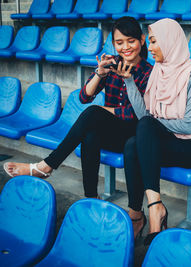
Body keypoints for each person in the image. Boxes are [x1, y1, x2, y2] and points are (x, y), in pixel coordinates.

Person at [3, 17, 152, 210]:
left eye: (131, 41)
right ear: (114, 44)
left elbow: (135, 115)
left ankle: (46, 166)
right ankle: (91, 197)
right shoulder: (112, 64)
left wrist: (101, 110)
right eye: (119, 42)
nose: (125, 47)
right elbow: (84, 97)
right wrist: (99, 74)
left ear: (141, 40)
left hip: (135, 137)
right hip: (114, 133)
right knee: (89, 133)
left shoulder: (149, 73)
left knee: (93, 114)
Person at [113, 18, 191, 245]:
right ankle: (138, 213)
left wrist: (153, 121)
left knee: (145, 127)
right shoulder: (158, 72)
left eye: (155, 42)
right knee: (131, 144)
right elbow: (143, 115)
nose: (150, 47)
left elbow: (188, 126)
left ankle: (154, 209)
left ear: (170, 42)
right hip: (168, 140)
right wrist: (129, 82)